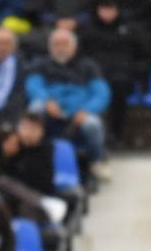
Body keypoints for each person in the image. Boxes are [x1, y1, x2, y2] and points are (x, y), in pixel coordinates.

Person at [26, 28, 110, 177]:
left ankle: (95, 161)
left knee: (93, 124)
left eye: (64, 44)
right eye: (56, 44)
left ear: (74, 46)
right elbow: (33, 87)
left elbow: (102, 94)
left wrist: (86, 110)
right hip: (51, 110)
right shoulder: (40, 65)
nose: (60, 48)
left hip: (80, 113)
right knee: (35, 108)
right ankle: (30, 155)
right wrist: (47, 101)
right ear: (50, 47)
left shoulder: (88, 66)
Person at [79, 0, 151, 144]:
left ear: (117, 10)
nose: (106, 13)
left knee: (118, 89)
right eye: (103, 9)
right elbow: (80, 56)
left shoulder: (131, 29)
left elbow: (145, 55)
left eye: (110, 9)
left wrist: (132, 70)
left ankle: (115, 135)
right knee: (93, 90)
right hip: (95, 77)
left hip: (122, 77)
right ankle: (92, 137)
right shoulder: (88, 30)